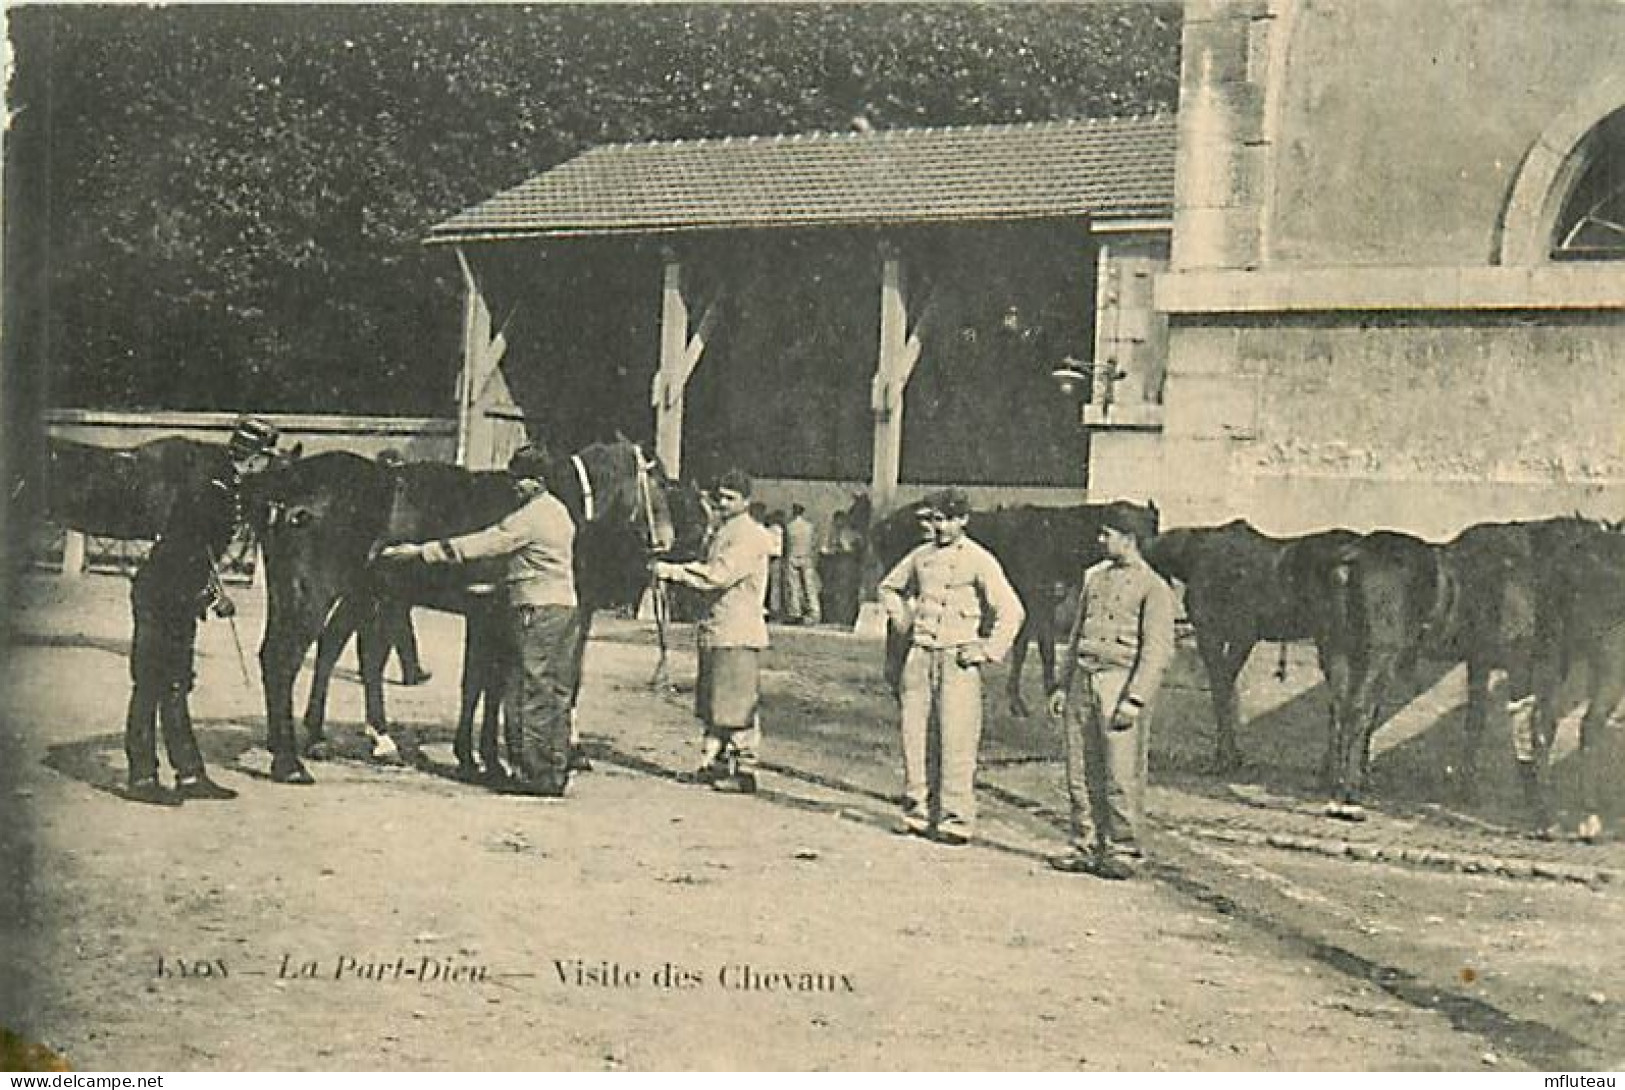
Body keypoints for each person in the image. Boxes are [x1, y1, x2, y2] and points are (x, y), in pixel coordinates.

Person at [379, 444, 578, 797]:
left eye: (521, 480)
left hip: (535, 609)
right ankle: (553, 769)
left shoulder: (529, 516)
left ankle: (531, 774)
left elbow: (485, 543)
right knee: (556, 691)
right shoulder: (559, 512)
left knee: (527, 691)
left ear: (538, 481)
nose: (515, 487)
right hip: (563, 607)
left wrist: (420, 552)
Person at [123, 416, 283, 806]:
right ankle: (142, 778)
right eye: (267, 458)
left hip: (175, 592)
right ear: (254, 456)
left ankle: (190, 774)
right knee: (151, 683)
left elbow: (203, 552)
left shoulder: (223, 482)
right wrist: (212, 597)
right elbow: (188, 550)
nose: (266, 466)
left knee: (176, 683)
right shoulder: (214, 488)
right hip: (163, 592)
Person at [877, 488, 1023, 844]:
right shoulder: (920, 556)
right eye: (931, 520)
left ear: (963, 520)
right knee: (914, 736)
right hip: (921, 655)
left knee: (956, 741)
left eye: (943, 520)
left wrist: (987, 650)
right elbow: (888, 588)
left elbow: (1011, 610)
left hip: (957, 658)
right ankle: (917, 813)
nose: (936, 527)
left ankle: (955, 820)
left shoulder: (979, 559)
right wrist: (904, 622)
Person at [1047, 502, 1175, 880]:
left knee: (1121, 772)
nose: (1101, 540)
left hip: (1119, 682)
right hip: (1083, 679)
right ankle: (1085, 843)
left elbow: (1157, 650)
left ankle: (1123, 849)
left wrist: (1135, 699)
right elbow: (1074, 636)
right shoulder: (1094, 578)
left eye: (1108, 534)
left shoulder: (1154, 588)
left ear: (1129, 539)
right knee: (1079, 770)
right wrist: (1061, 683)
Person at [654, 468, 771, 794]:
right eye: (719, 496)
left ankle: (744, 768)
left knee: (736, 703)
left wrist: (672, 572)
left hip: (738, 629)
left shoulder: (749, 534)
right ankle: (712, 762)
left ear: (746, 500)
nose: (723, 502)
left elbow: (718, 575)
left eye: (731, 497)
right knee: (713, 701)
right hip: (716, 627)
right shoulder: (722, 530)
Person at [374, 449, 431, 687]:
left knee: (394, 620)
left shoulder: (392, 495)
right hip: (389, 568)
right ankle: (402, 669)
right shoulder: (394, 498)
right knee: (393, 621)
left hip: (393, 567)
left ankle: (409, 668)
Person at [782, 503, 821, 625]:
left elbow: (786, 544)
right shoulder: (809, 526)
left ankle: (795, 612)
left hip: (793, 556)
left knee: (793, 586)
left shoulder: (789, 526)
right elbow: (814, 543)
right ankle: (814, 611)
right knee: (809, 586)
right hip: (806, 556)